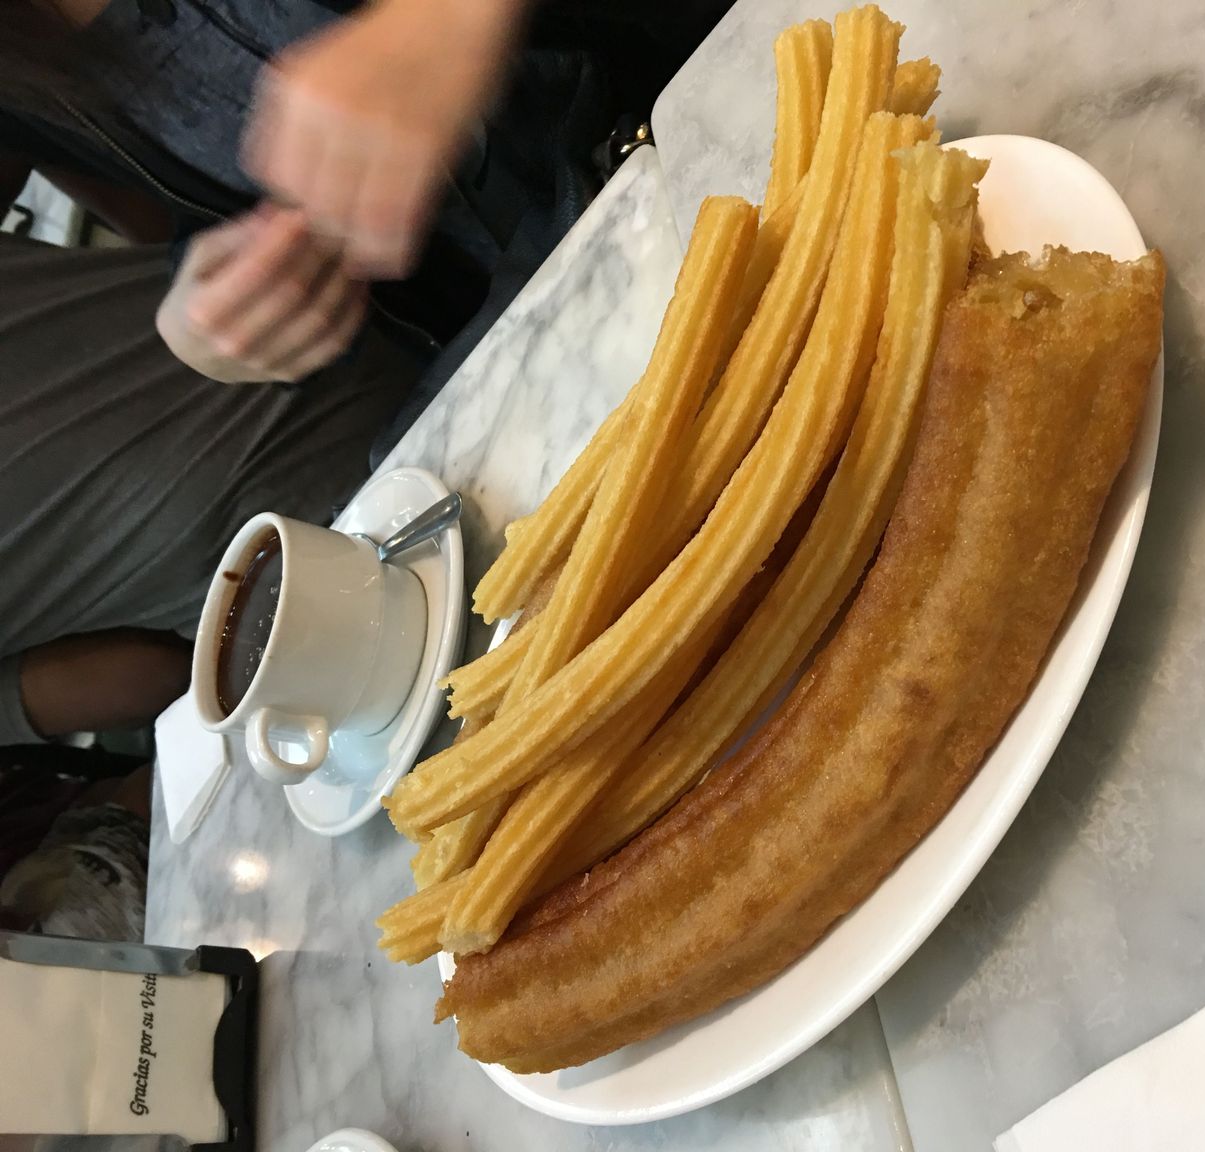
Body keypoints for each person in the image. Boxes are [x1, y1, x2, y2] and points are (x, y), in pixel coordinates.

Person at [0, 0, 731, 744]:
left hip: (708, 85)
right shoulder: (20, 70)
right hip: (541, 298)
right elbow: (177, 210)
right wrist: (202, 308)